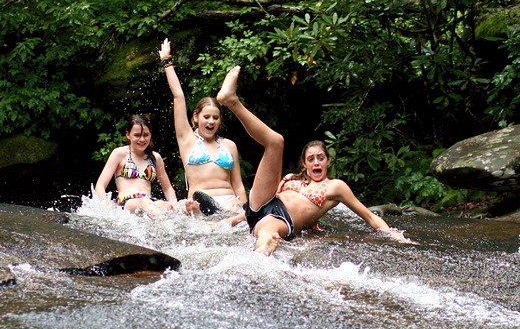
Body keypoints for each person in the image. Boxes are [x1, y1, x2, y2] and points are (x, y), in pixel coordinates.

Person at [217, 66, 405, 255]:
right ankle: (231, 101)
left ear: (328, 161)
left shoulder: (335, 186)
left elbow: (369, 216)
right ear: (304, 164)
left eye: (320, 158)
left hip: (282, 220)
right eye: (311, 159)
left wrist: (393, 233)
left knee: (266, 235)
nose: (316, 163)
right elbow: (259, 206)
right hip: (261, 205)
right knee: (276, 142)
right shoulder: (290, 178)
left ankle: (261, 251)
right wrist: (231, 221)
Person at [158, 38, 247, 215]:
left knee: (234, 209)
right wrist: (167, 62)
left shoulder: (229, 145)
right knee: (196, 206)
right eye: (206, 117)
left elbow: (238, 184)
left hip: (230, 201)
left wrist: (246, 211)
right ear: (196, 117)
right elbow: (178, 97)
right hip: (201, 203)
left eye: (216, 117)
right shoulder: (187, 139)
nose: (211, 121)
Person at [94, 114, 200, 216]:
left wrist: (173, 204)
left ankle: (191, 213)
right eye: (137, 135)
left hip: (149, 203)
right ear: (128, 135)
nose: (142, 139)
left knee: (168, 205)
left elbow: (167, 188)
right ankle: (163, 222)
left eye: (145, 135)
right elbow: (100, 185)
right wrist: (105, 207)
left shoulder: (155, 158)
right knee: (143, 202)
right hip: (127, 202)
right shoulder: (119, 154)